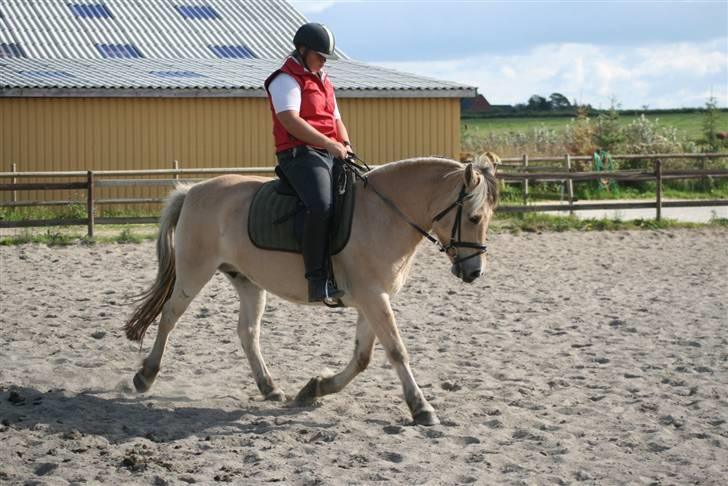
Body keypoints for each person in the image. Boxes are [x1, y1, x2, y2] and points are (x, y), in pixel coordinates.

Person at [263, 22, 352, 303]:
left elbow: (336, 120)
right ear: (302, 50)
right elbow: (290, 120)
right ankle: (317, 280)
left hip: (330, 151)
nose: (324, 61)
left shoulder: (324, 81)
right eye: (320, 55)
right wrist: (327, 143)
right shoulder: (285, 79)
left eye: (326, 57)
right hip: (299, 154)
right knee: (321, 204)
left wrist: (345, 144)